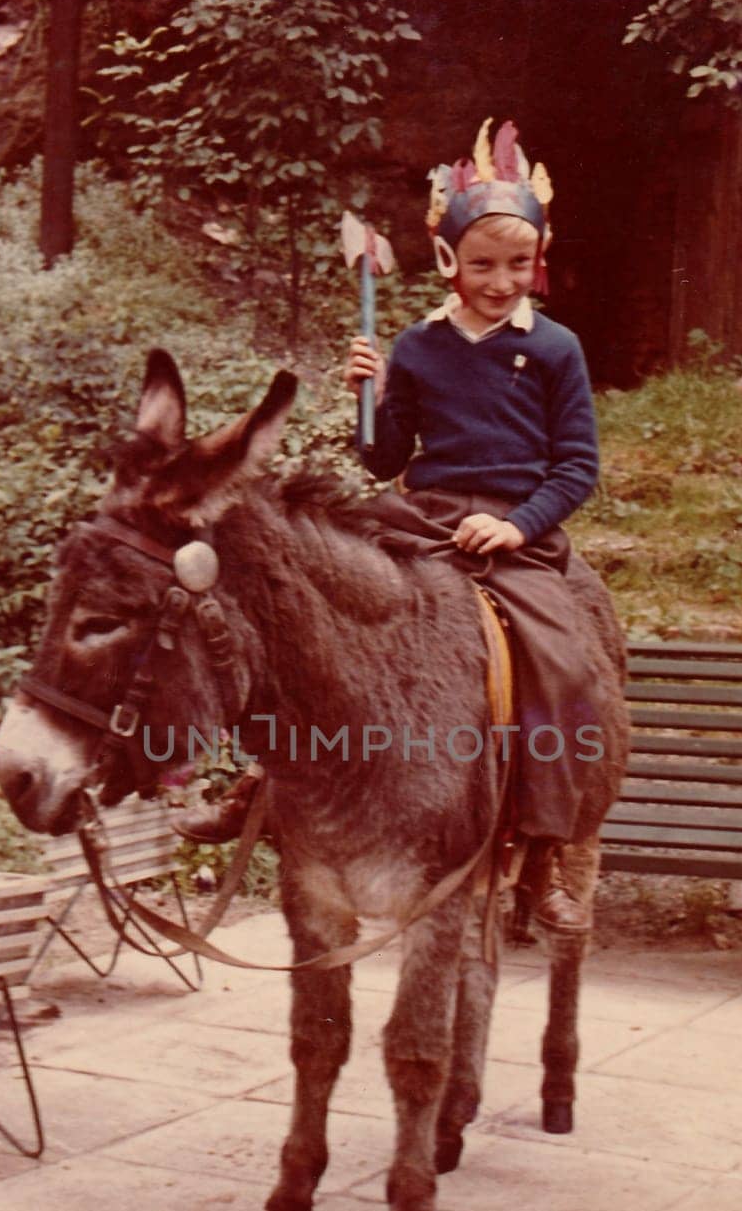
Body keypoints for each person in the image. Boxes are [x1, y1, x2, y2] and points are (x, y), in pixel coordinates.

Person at [178, 119, 602, 933]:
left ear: (537, 260)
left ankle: (543, 854)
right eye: (482, 264)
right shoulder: (416, 344)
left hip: (516, 531)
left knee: (560, 662)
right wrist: (366, 395)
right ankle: (262, 784)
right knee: (308, 611)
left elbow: (575, 468)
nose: (501, 280)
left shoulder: (555, 349)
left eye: (518, 264)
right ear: (447, 261)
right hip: (420, 517)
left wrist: (516, 529)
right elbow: (382, 462)